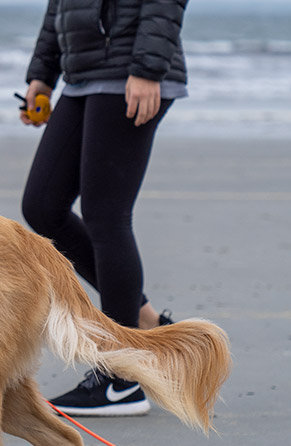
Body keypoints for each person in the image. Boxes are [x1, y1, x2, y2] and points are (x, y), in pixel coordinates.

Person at [19, 0, 187, 416]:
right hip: (82, 76)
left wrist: (149, 68)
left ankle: (121, 378)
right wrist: (42, 73)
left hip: (130, 73)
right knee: (42, 207)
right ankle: (146, 324)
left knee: (107, 216)